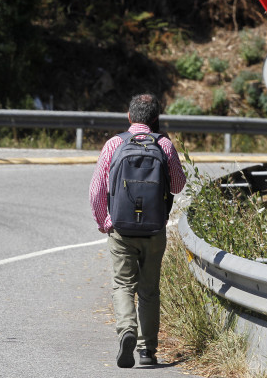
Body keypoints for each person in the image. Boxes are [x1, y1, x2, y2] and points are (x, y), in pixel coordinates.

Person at [89, 93, 187, 368]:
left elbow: (96, 189)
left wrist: (105, 222)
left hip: (121, 229)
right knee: (149, 290)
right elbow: (178, 186)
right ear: (156, 119)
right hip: (154, 230)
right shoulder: (165, 144)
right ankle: (147, 352)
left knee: (122, 285)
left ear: (129, 117)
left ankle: (127, 330)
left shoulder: (114, 144)